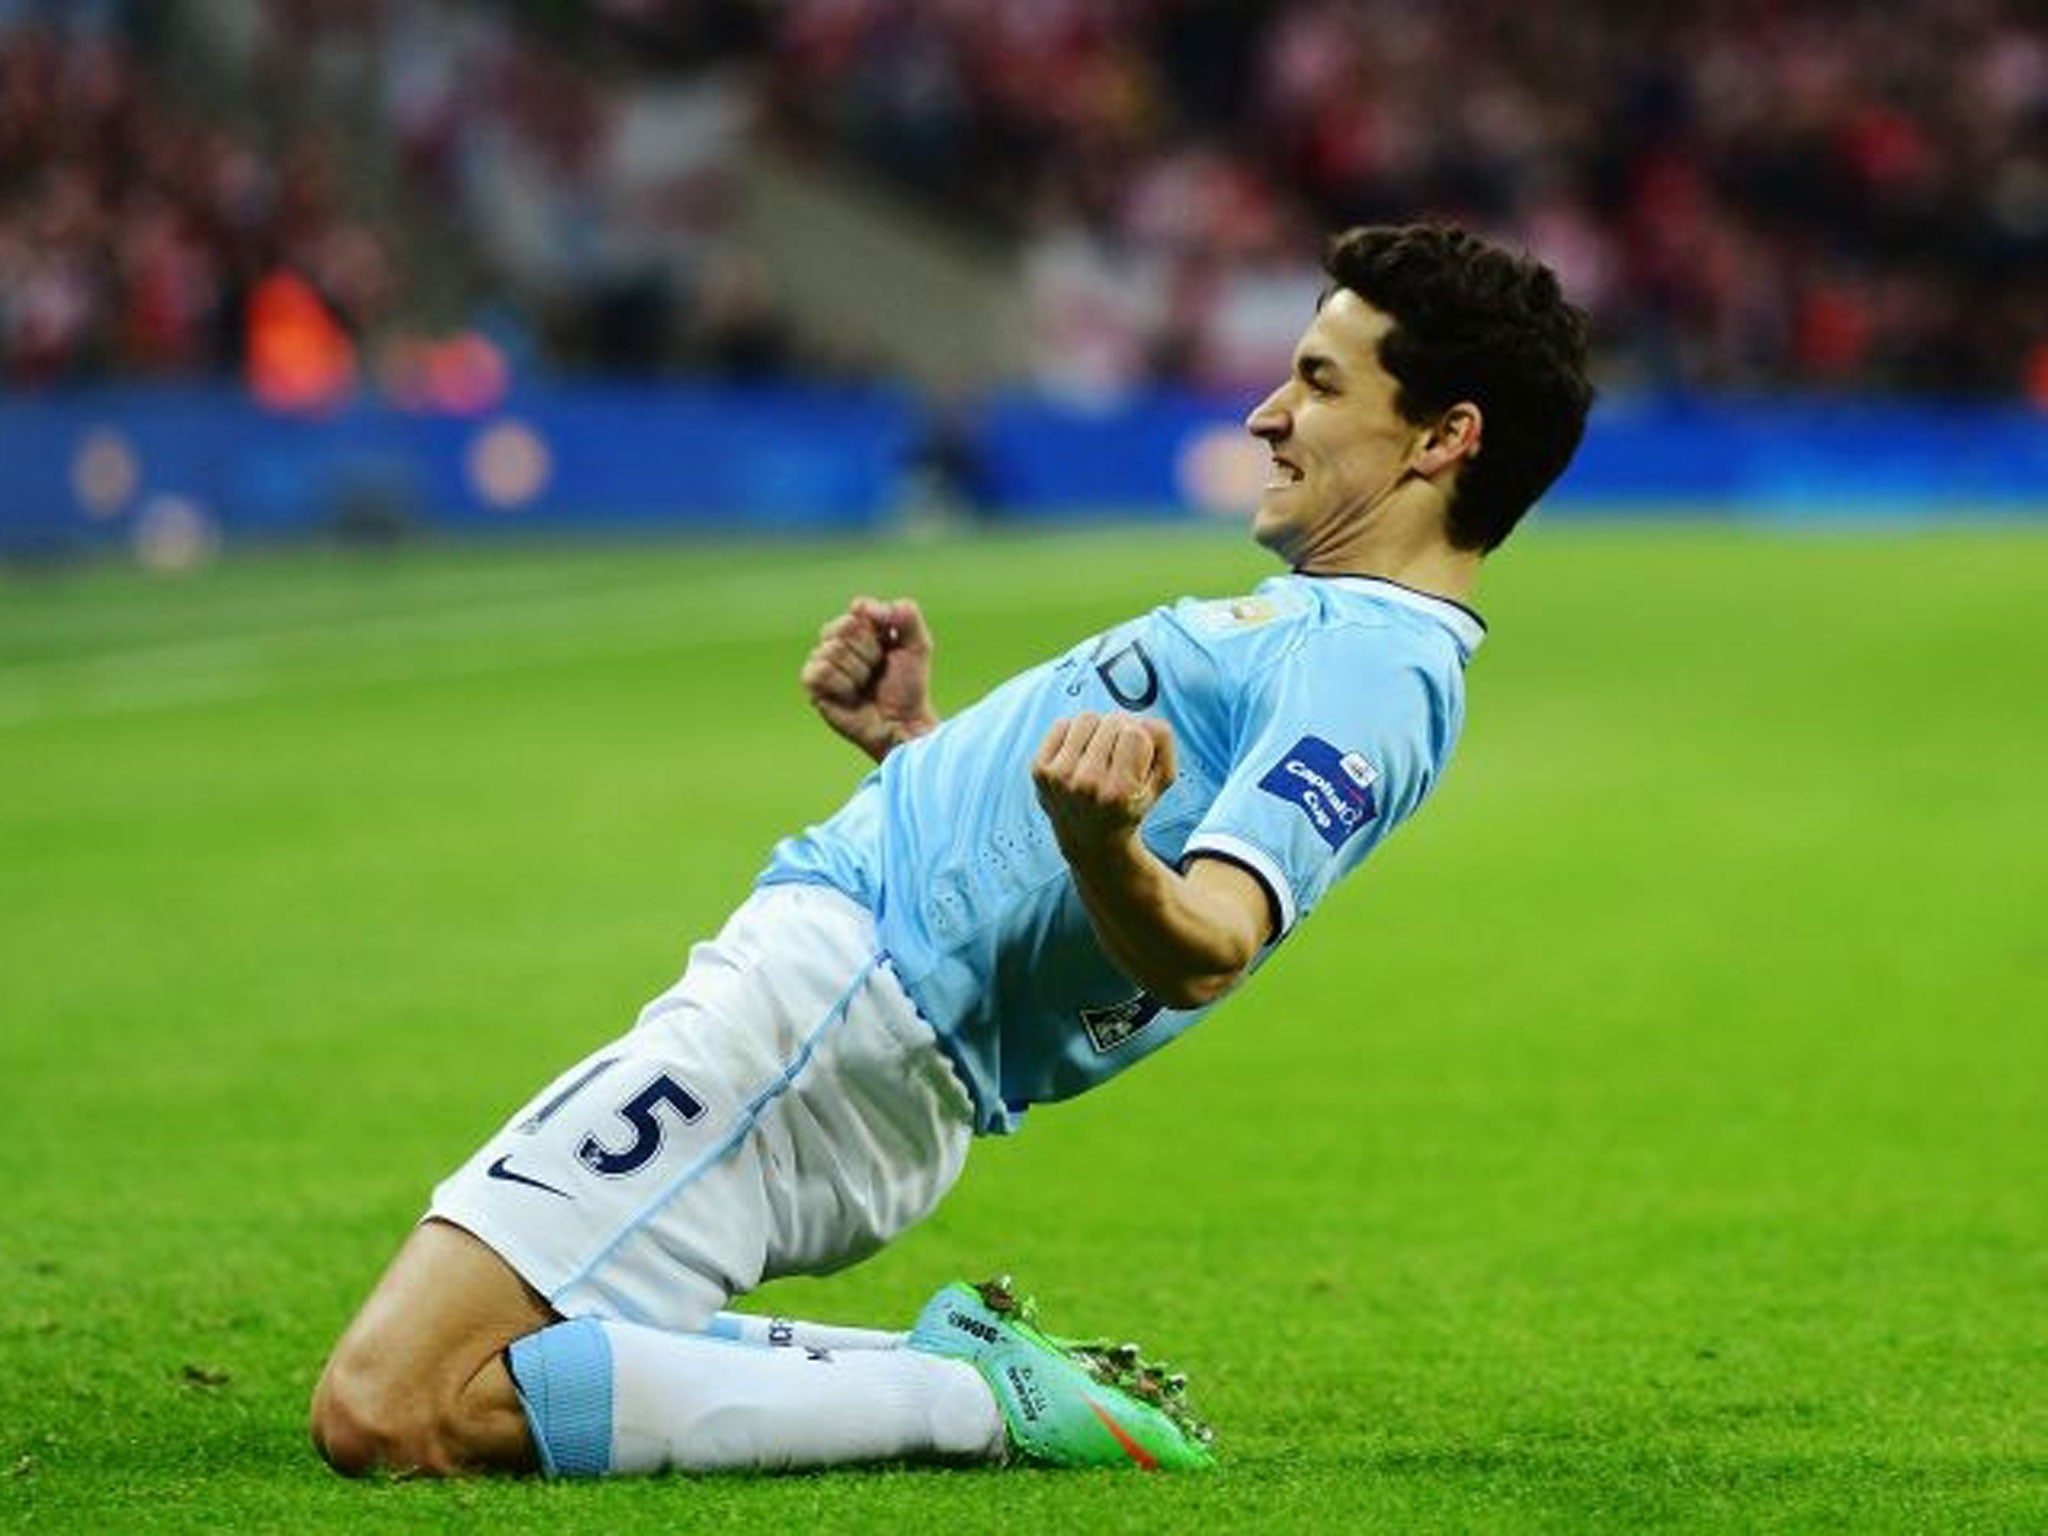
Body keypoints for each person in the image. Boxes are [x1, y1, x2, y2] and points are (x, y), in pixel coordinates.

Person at [309, 223, 1594, 1478]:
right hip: (849, 1006)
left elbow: (1208, 943)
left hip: (828, 1017)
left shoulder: (1375, 663)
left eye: (1317, 382)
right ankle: (973, 1373)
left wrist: (1096, 842)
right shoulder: (1336, 630)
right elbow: (1087, 863)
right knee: (509, 1356)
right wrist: (918, 750)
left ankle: (969, 1399)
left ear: (1443, 437)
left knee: (392, 1404)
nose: (1267, 414)